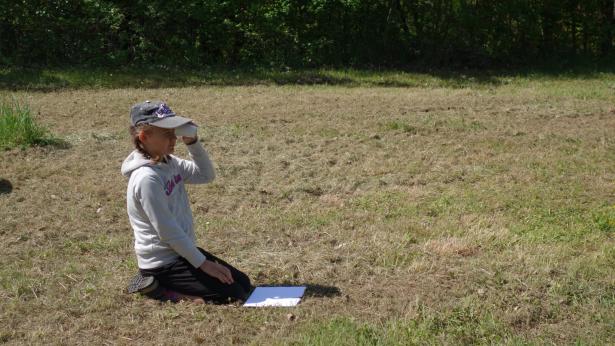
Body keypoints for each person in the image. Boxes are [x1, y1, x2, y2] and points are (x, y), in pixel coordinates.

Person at [121, 100, 253, 304]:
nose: (173, 138)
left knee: (243, 283)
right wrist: (204, 264)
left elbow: (205, 175)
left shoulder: (168, 161)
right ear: (145, 136)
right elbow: (167, 231)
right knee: (231, 294)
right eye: (166, 134)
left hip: (181, 251)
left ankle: (184, 282)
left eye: (173, 132)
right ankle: (161, 289)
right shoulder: (147, 179)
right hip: (162, 262)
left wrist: (192, 142)